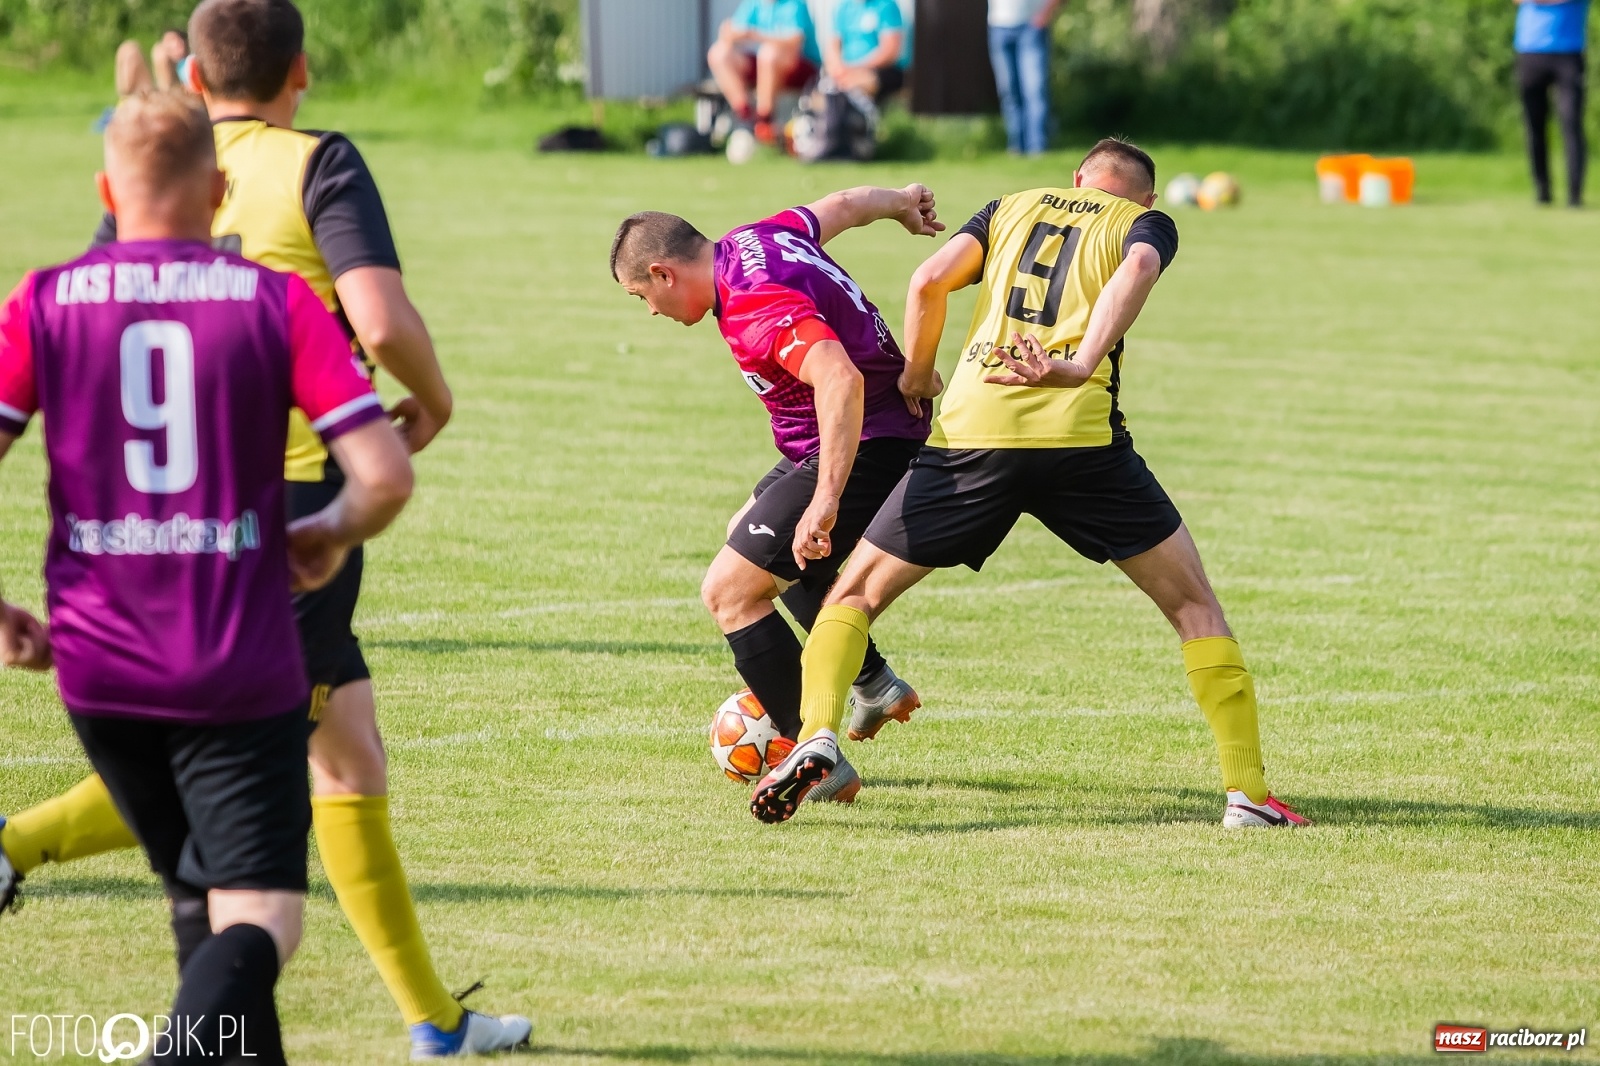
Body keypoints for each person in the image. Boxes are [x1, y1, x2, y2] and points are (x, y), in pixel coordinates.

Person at [0, 0, 530, 1057]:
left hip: (113, 601)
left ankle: (432, 1019)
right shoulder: (303, 180)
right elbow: (376, 325)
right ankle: (15, 849)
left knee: (344, 759)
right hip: (268, 527)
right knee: (257, 862)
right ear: (300, 72)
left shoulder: (63, 283)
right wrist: (425, 411)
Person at [751, 139, 1308, 831]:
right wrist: (1079, 363)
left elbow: (927, 281)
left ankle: (817, 739)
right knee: (1195, 608)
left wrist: (919, 372)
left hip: (974, 432)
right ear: (1145, 198)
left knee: (853, 594)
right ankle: (1248, 797)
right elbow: (1137, 266)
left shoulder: (1009, 207)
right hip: (1080, 442)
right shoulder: (1142, 223)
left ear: (1077, 177)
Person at [610, 185, 944, 800]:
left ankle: (815, 758)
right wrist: (899, 201)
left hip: (868, 441)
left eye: (643, 297)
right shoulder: (757, 240)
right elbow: (840, 205)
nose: (651, 311)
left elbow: (839, 380)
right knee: (754, 536)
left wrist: (826, 498)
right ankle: (871, 682)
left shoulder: (753, 304)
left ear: (663, 272)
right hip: (857, 436)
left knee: (730, 592)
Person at [708, 0, 822, 144]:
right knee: (719, 54)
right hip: (765, 65)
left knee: (768, 54)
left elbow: (794, 42)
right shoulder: (753, 4)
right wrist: (731, 34)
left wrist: (754, 35)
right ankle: (745, 116)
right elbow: (730, 34)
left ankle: (764, 121)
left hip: (802, 69)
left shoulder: (794, 4)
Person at [1514, 0, 1590, 207]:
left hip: (1568, 53)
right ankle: (1542, 192)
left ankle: (1575, 196)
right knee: (1534, 125)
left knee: (1571, 122)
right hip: (1530, 50)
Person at [987, 0, 1059, 156]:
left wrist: (1044, 15)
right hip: (998, 27)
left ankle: (1038, 148)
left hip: (1031, 26)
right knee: (1009, 91)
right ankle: (1016, 147)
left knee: (1035, 90)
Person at [825, 0, 908, 100]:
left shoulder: (886, 5)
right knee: (829, 83)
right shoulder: (842, 7)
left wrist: (854, 68)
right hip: (848, 69)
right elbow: (833, 47)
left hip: (880, 69)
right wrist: (838, 68)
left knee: (862, 81)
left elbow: (889, 53)